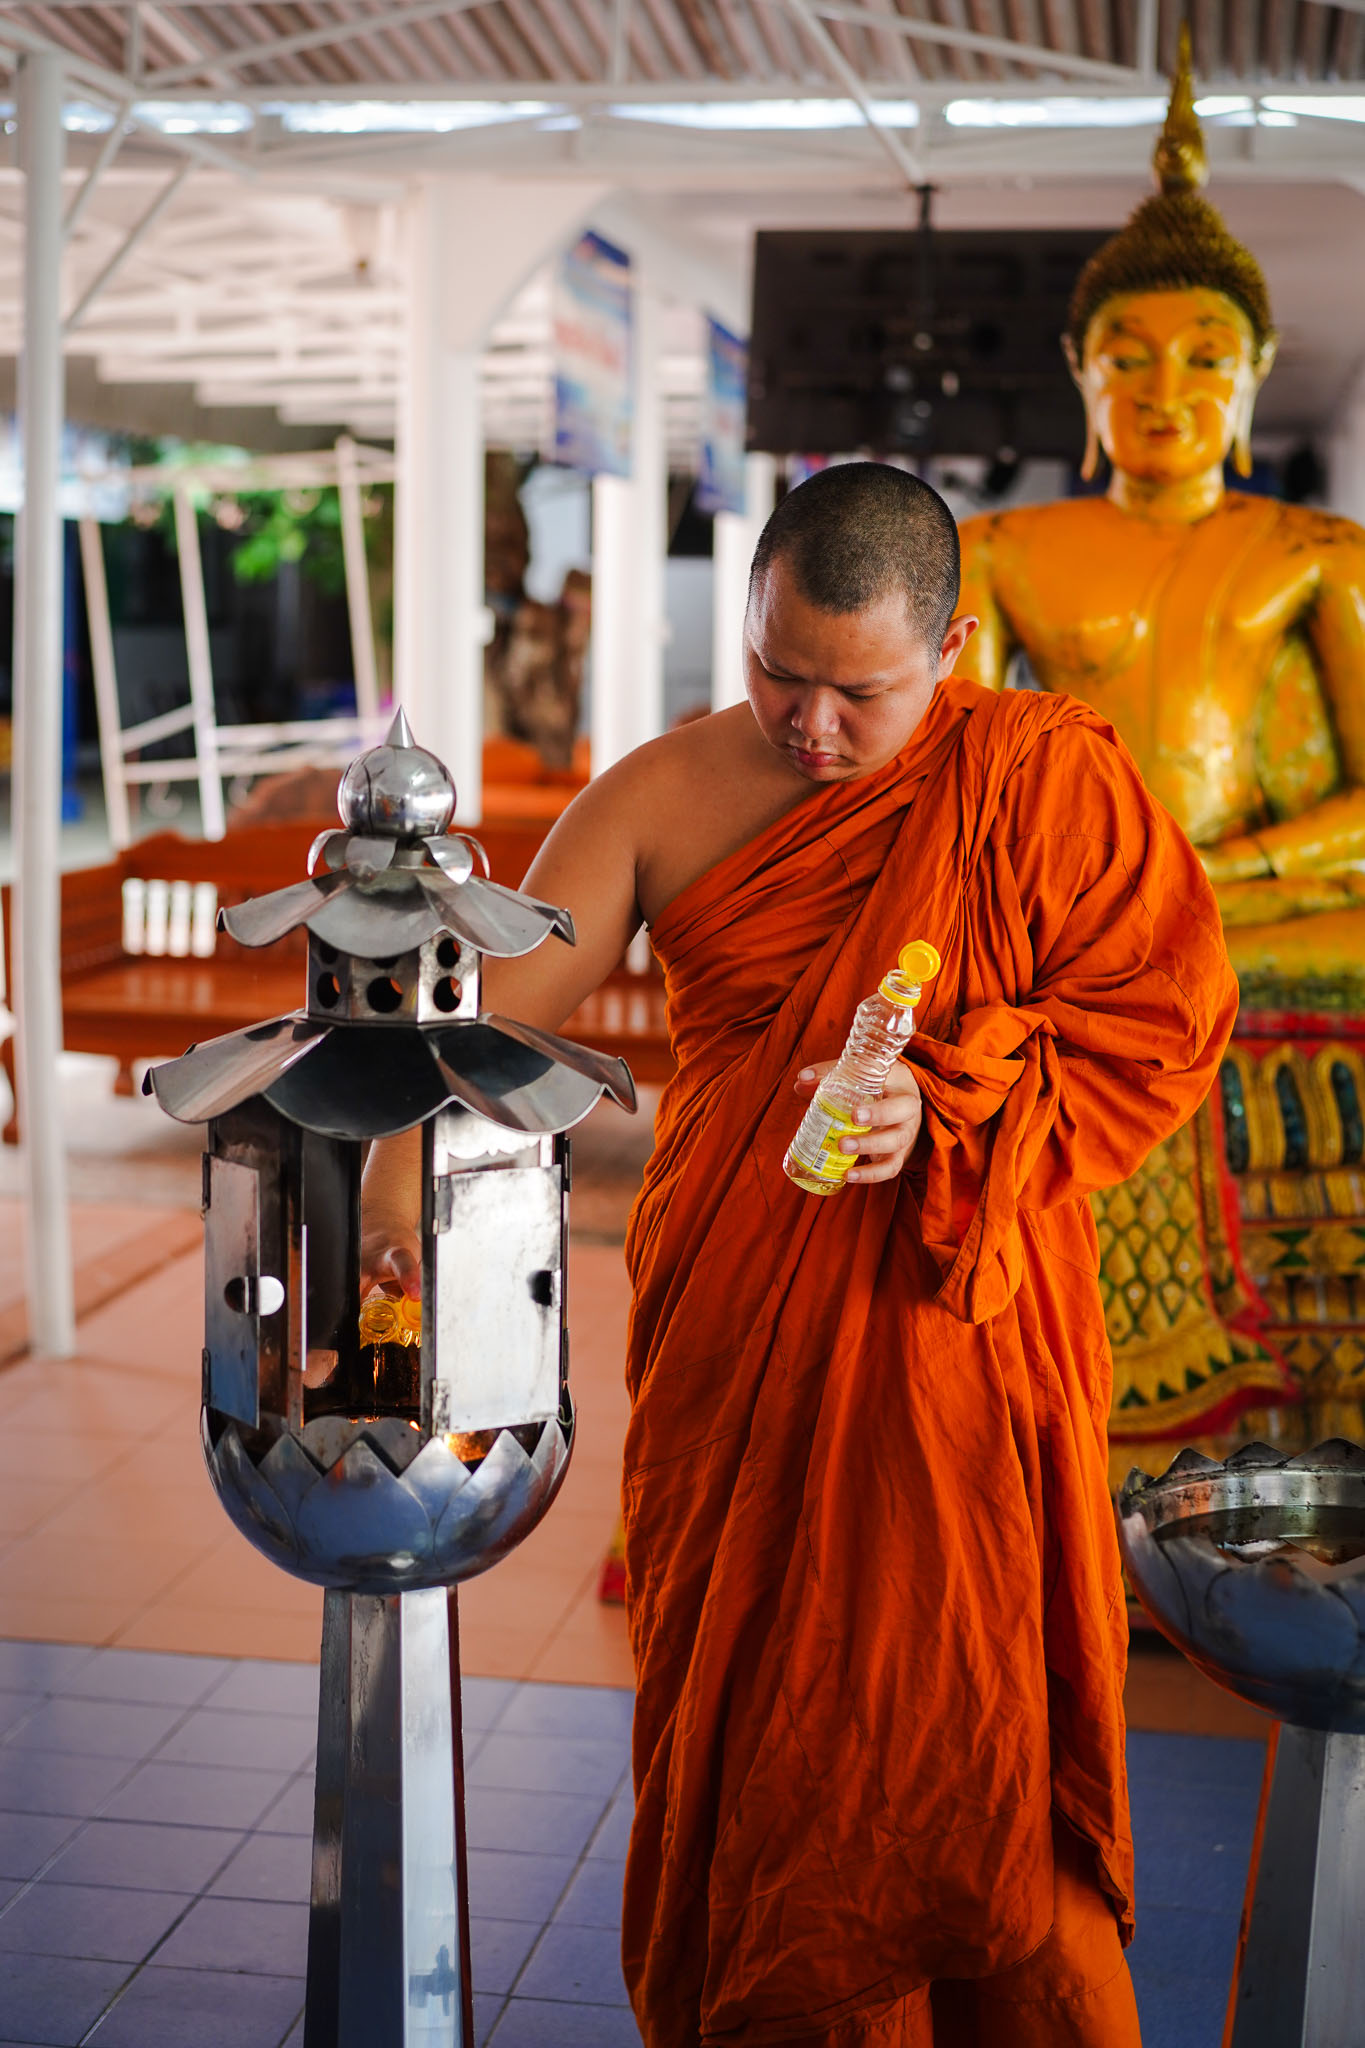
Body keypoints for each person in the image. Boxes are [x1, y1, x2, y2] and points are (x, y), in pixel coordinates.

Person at [362, 460, 1238, 2046]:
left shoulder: (1038, 774)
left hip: (953, 1342)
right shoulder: (654, 795)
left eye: (860, 694)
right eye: (777, 672)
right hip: (737, 1318)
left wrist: (951, 1104)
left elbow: (1164, 1025)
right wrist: (388, 1168)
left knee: (965, 1726)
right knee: (763, 1719)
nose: (809, 725)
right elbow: (493, 1032)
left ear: (952, 651)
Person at [956, 33, 1365, 1461]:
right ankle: (1014, 1375)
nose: (1163, 388)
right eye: (1125, 357)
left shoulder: (1318, 552)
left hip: (1250, 888)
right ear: (1080, 375)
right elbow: (956, 772)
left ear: (1254, 377)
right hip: (1067, 903)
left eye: (1205, 357)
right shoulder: (1000, 548)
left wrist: (1213, 875)